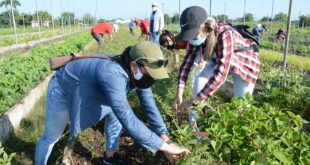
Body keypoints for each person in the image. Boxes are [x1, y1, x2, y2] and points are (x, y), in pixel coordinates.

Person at [35, 41, 191, 165]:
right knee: (51, 137)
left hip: (88, 88)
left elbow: (150, 106)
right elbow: (128, 119)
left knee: (115, 115)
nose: (152, 78)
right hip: (63, 88)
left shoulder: (138, 76)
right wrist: (166, 148)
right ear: (134, 65)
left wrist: (165, 139)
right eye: (150, 73)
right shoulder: (112, 74)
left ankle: (109, 157)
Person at [172, 6, 260, 110]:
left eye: (193, 34)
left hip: (244, 64)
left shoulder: (225, 34)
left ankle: (197, 106)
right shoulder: (195, 37)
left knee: (241, 106)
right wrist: (179, 92)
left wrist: (194, 101)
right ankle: (194, 122)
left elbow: (220, 74)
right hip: (219, 59)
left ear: (204, 28)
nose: (191, 39)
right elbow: (187, 64)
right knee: (200, 80)